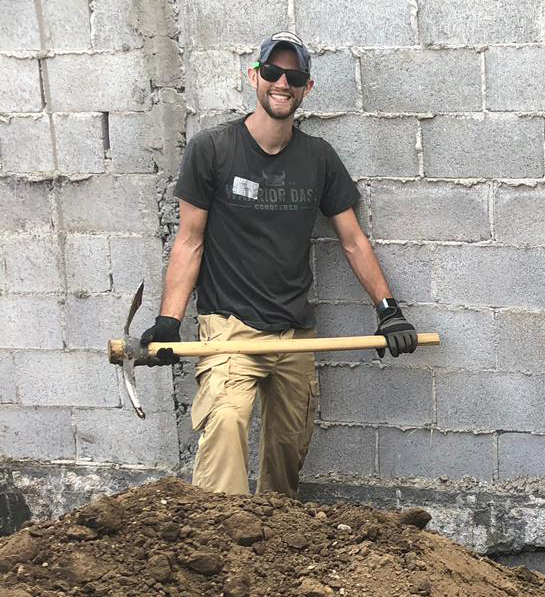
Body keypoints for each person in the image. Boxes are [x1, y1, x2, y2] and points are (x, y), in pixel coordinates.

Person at [139, 31, 419, 498]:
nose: (281, 83)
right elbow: (189, 241)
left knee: (286, 458)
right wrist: (168, 322)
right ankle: (220, 547)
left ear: (307, 88)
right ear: (255, 77)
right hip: (229, 330)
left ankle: (273, 552)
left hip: (294, 334)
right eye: (272, 72)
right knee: (225, 423)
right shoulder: (213, 149)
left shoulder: (318, 158)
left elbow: (351, 239)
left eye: (294, 76)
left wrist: (388, 310)